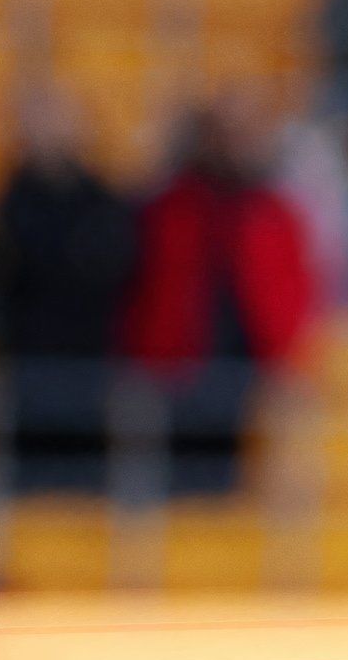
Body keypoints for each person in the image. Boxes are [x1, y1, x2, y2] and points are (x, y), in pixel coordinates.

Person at [117, 103, 323, 494]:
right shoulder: (167, 210)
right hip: (177, 367)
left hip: (250, 370)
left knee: (238, 490)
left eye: (242, 136)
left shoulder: (277, 214)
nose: (232, 147)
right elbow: (144, 287)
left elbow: (294, 290)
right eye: (222, 135)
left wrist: (288, 358)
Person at [0, 93, 141, 492]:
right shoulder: (9, 205)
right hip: (27, 369)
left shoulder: (103, 205)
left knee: (86, 493)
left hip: (89, 370)